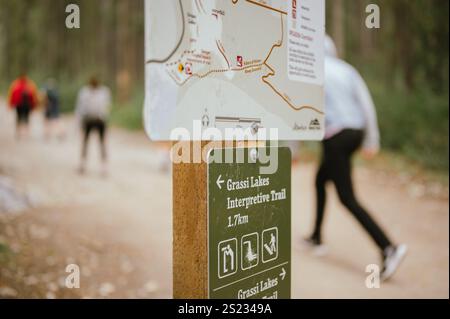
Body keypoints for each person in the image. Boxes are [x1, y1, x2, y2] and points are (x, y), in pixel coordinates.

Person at [305, 36, 407, 281]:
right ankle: (316, 237)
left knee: (347, 198)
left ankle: (388, 248)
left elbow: (303, 111)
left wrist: (293, 148)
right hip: (355, 133)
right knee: (320, 179)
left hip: (336, 137)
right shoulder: (347, 69)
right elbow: (366, 104)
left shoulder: (312, 71)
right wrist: (372, 140)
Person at [75, 76, 111, 175]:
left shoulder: (102, 92)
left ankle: (103, 166)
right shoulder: (86, 92)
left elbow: (106, 106)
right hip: (89, 119)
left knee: (100, 143)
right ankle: (83, 164)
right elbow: (81, 107)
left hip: (98, 120)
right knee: (87, 142)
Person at [7, 74, 38, 139]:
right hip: (27, 105)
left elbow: (12, 95)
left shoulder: (15, 84)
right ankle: (27, 133)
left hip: (19, 105)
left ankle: (18, 132)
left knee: (18, 118)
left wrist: (10, 104)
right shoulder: (30, 85)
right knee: (27, 118)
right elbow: (34, 96)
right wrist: (34, 105)